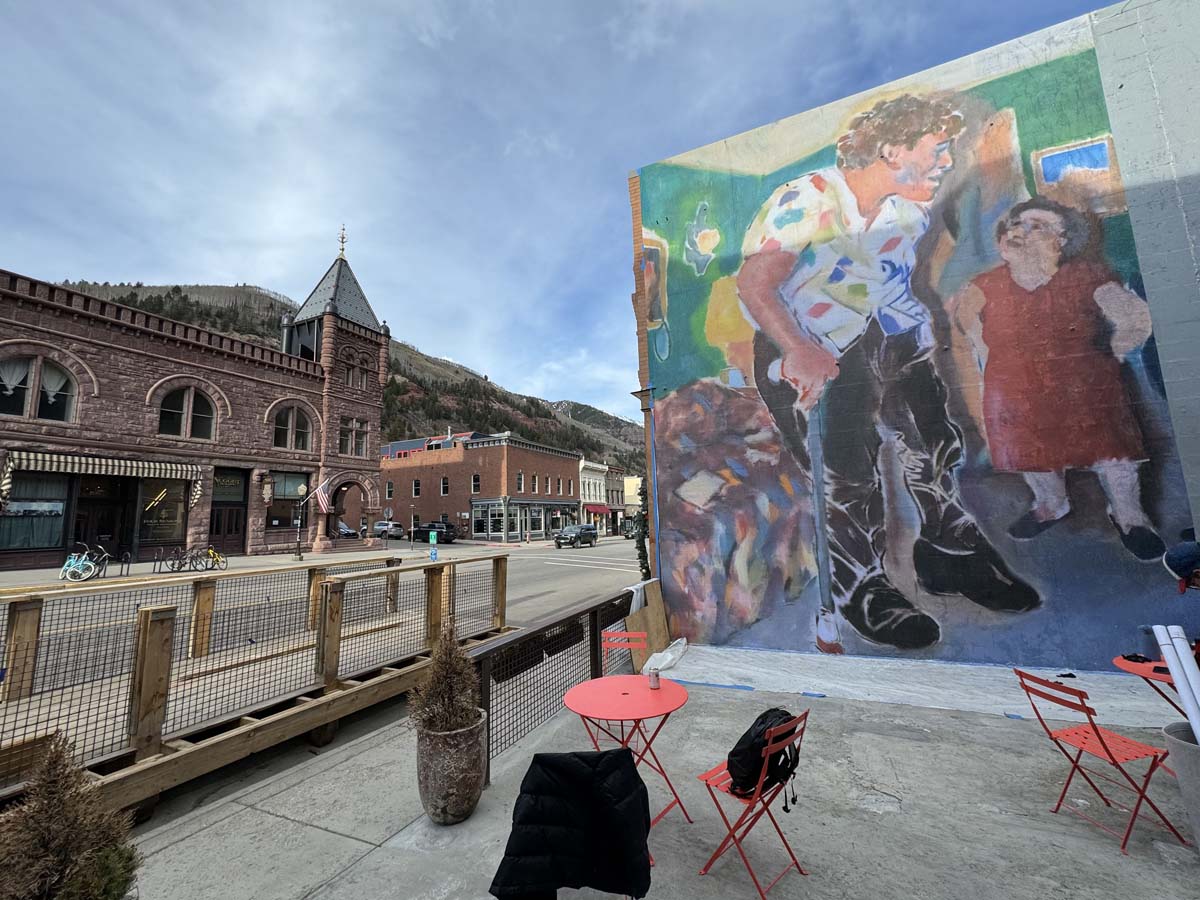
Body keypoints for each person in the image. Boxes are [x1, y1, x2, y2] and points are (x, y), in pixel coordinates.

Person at [737, 92, 1039, 652]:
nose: (947, 161)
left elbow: (892, 283)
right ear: (893, 148)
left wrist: (919, 343)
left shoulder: (907, 210)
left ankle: (948, 556)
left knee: (934, 445)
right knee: (847, 477)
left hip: (892, 337)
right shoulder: (808, 200)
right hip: (812, 347)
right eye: (938, 149)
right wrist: (799, 351)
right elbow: (756, 285)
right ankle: (861, 588)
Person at [949, 197, 1163, 561]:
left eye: (1037, 226)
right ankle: (1051, 505)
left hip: (1086, 385)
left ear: (1061, 240)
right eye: (1016, 224)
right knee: (1033, 457)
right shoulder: (983, 285)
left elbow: (1137, 318)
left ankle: (1129, 517)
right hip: (1015, 391)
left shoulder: (1087, 277)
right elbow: (963, 328)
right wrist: (989, 364)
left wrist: (1114, 350)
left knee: (1114, 457)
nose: (1020, 231)